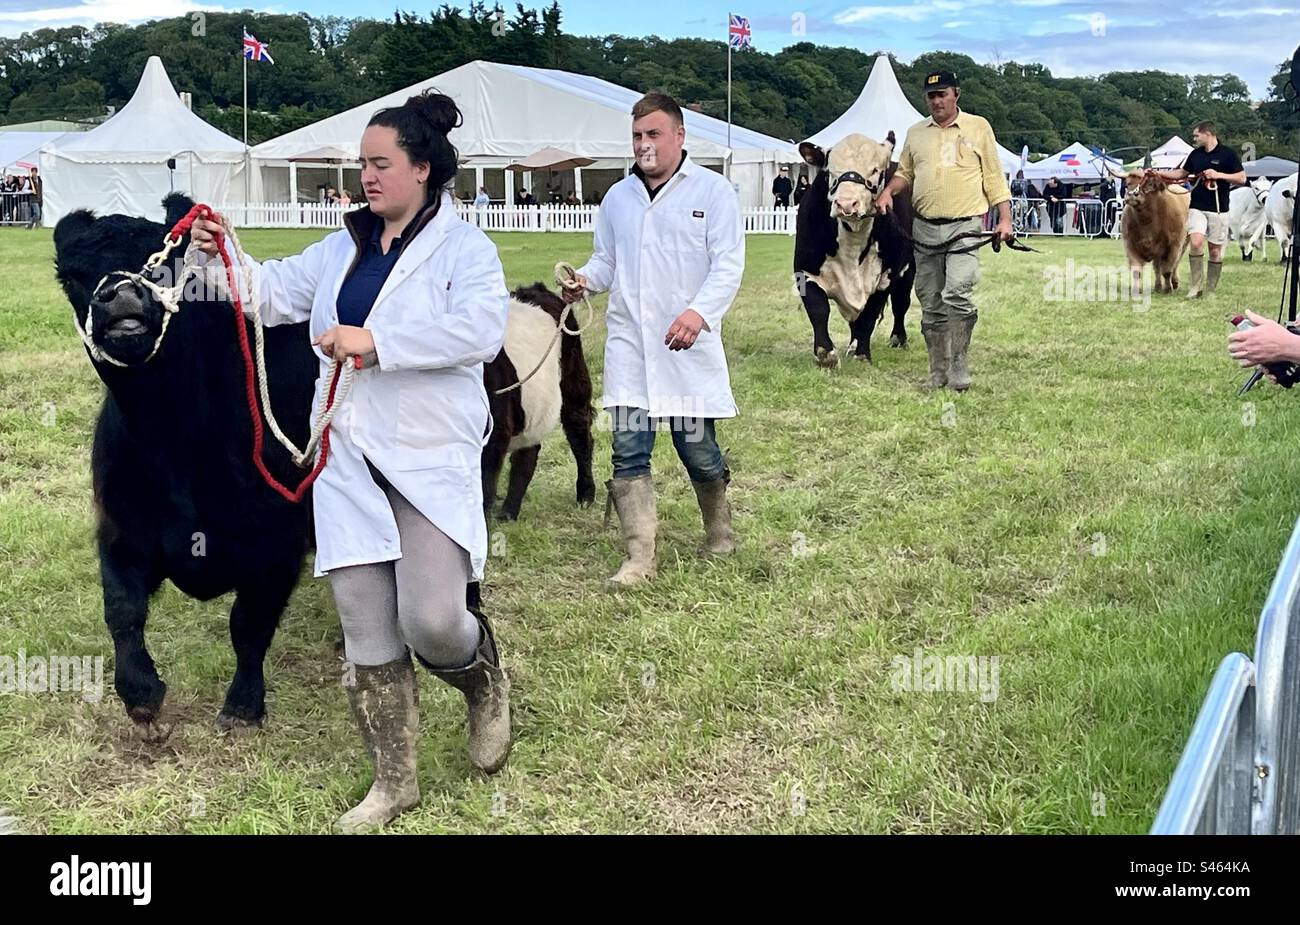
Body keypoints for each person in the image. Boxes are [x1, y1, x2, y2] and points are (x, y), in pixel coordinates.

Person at [190, 90, 512, 833]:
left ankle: (482, 676)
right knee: (368, 631)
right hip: (346, 459)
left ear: (422, 169)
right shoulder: (341, 246)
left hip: (427, 458)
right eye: (360, 163)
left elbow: (481, 331)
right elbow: (266, 296)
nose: (366, 176)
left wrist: (380, 344)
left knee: (432, 622)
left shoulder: (468, 250)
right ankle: (393, 782)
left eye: (380, 163)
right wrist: (225, 250)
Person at [560, 92, 744, 585]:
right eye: (638, 135)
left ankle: (719, 530)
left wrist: (698, 312)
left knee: (697, 449)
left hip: (685, 345)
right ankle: (639, 558)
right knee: (629, 449)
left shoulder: (712, 192)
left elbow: (728, 264)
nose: (644, 144)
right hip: (631, 346)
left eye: (654, 134)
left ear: (680, 136)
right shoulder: (618, 197)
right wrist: (584, 279)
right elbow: (607, 262)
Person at [875, 70, 1012, 392]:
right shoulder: (916, 132)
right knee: (930, 300)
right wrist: (887, 192)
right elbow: (905, 173)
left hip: (965, 227)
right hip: (924, 228)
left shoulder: (978, 127)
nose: (937, 101)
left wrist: (1005, 219)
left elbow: (993, 177)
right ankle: (937, 371)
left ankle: (959, 365)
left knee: (957, 293)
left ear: (956, 95)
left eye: (943, 94)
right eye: (931, 96)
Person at [1158, 121, 1246, 298]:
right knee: (1196, 242)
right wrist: (1158, 173)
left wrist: (1219, 175)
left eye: (1196, 135)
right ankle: (1195, 287)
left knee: (1215, 250)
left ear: (1208, 134)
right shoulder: (1195, 154)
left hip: (1218, 207)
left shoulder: (1227, 154)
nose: (1194, 139)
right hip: (1197, 205)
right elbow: (1181, 173)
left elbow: (1242, 178)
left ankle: (1210, 289)